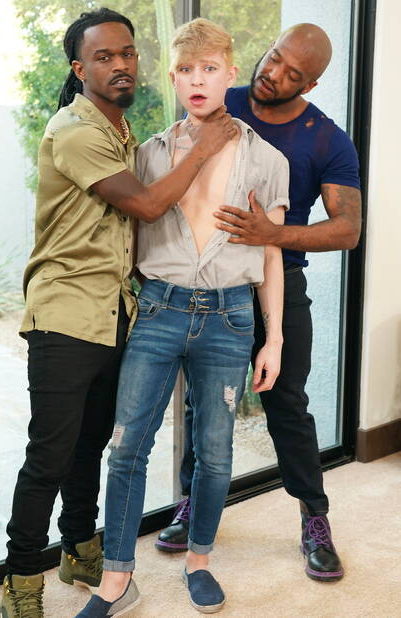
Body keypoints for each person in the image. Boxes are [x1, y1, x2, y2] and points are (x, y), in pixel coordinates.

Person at [0, 9, 237, 618]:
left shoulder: (122, 132)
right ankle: (21, 583)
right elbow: (148, 205)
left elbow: (126, 232)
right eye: (104, 57)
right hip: (64, 314)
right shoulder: (75, 130)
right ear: (80, 70)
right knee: (50, 454)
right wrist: (205, 147)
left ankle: (80, 549)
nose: (121, 64)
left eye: (127, 53)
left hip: (114, 312)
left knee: (90, 445)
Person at [76, 18, 289, 618]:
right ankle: (117, 579)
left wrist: (273, 338)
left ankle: (198, 561)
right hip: (159, 309)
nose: (198, 80)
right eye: (187, 70)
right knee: (127, 446)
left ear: (229, 74)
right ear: (173, 78)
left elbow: (271, 253)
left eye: (210, 69)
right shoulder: (147, 156)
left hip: (230, 317)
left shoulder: (267, 159)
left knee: (216, 452)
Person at [156, 22, 362, 584]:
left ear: (310, 84)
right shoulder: (223, 99)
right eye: (274, 58)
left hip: (280, 282)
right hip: (211, 283)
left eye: (293, 73)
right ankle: (193, 505)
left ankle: (315, 520)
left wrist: (273, 234)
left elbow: (347, 229)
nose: (274, 74)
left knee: (287, 405)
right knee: (202, 404)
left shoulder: (327, 139)